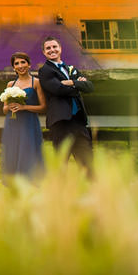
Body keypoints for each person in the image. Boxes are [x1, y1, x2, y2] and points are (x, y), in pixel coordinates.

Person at [37, 36, 94, 174]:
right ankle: (61, 193)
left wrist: (73, 82)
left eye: (54, 47)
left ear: (60, 49)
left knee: (88, 163)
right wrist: (79, 85)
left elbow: (90, 87)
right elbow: (58, 89)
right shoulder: (45, 71)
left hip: (79, 122)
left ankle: (92, 192)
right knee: (61, 162)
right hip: (61, 122)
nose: (52, 50)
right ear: (44, 53)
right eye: (48, 48)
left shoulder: (71, 69)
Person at [1, 52, 46, 178]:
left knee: (29, 153)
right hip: (12, 124)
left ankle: (31, 183)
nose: (20, 66)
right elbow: (4, 109)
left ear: (29, 64)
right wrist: (9, 107)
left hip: (29, 124)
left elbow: (43, 107)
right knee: (12, 153)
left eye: (23, 62)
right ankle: (14, 185)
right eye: (17, 63)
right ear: (14, 67)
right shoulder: (10, 84)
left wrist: (24, 107)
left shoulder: (36, 82)